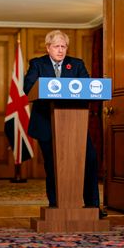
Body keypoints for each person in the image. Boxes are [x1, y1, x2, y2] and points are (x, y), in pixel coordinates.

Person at [23, 30, 107, 218]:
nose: (60, 50)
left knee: (89, 160)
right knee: (54, 165)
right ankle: (56, 206)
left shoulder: (76, 64)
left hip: (74, 124)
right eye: (56, 46)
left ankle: (93, 206)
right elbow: (28, 88)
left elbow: (87, 88)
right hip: (47, 123)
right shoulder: (37, 64)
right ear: (48, 48)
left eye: (63, 46)